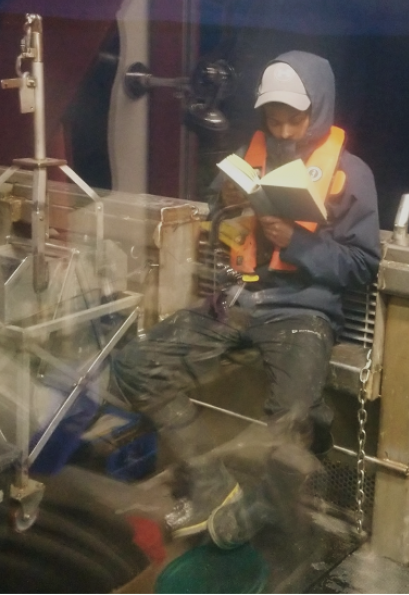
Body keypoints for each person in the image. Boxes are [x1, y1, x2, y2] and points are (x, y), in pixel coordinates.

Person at [109, 50, 380, 549]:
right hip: (238, 299)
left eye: (293, 120)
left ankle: (267, 504)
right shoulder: (250, 155)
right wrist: (226, 204)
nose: (282, 131)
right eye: (273, 120)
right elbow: (217, 217)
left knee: (295, 415)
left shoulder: (351, 173)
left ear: (318, 109)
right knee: (133, 365)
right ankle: (212, 482)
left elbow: (363, 264)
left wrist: (294, 242)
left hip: (302, 311)